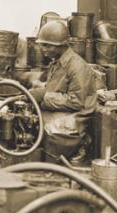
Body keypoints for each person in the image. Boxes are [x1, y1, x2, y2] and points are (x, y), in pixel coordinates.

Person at [28, 19, 97, 162]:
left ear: (62, 45)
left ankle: (82, 145)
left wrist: (44, 96)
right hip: (61, 110)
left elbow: (76, 102)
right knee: (26, 118)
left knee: (47, 131)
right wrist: (40, 87)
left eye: (48, 46)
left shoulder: (77, 66)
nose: (43, 49)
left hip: (76, 117)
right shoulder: (57, 61)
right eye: (42, 45)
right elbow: (57, 88)